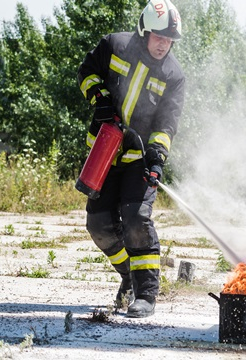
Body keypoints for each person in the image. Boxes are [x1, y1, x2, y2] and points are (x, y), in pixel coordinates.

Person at [77, 0, 185, 318]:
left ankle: (146, 295)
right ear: (143, 30)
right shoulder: (114, 45)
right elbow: (86, 73)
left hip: (138, 159)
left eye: (169, 40)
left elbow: (167, 123)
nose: (164, 44)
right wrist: (100, 98)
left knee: (136, 218)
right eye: (159, 37)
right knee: (98, 224)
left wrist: (157, 155)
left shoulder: (173, 75)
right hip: (105, 153)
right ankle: (128, 275)